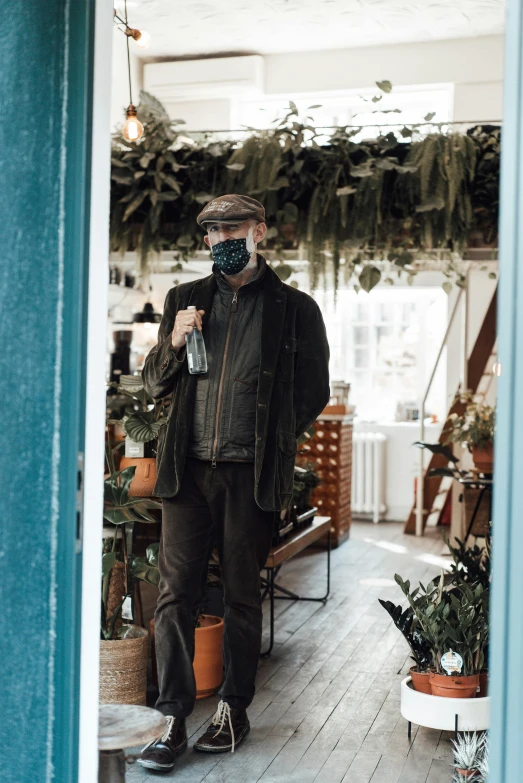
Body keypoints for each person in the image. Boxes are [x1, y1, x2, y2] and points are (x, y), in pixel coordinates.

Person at [138, 194, 330, 773]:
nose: (221, 237)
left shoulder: (295, 308)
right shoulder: (184, 300)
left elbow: (312, 391)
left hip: (250, 474)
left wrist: (271, 436)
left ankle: (232, 708)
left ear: (259, 233)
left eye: (232, 227)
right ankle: (172, 715)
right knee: (176, 596)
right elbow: (153, 384)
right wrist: (173, 342)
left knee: (243, 594)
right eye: (212, 230)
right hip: (186, 472)